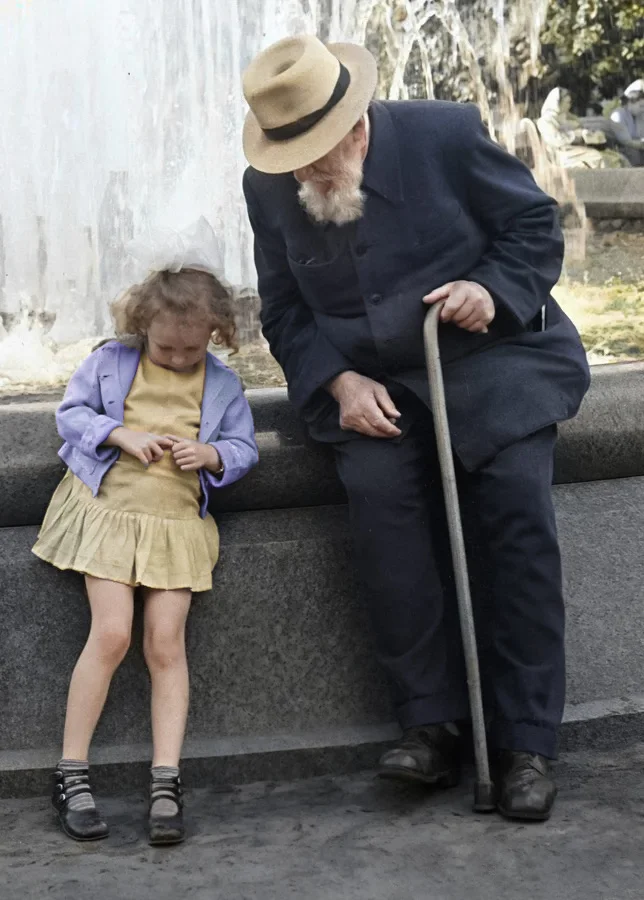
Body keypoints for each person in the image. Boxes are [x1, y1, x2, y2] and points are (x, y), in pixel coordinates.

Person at [241, 35, 591, 821]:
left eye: (315, 156)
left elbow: (535, 230)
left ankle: (525, 742)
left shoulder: (444, 134)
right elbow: (284, 311)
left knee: (514, 517)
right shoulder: (267, 186)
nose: (302, 175)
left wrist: (490, 288)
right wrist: (337, 379)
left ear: (357, 127)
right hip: (376, 386)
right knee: (381, 513)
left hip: (493, 362)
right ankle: (430, 725)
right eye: (289, 159)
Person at [33, 220, 258, 845]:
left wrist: (212, 456)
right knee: (110, 634)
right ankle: (71, 773)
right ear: (142, 328)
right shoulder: (112, 361)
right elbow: (70, 413)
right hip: (107, 514)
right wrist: (118, 433)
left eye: (193, 349)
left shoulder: (222, 382)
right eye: (167, 351)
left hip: (173, 524)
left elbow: (242, 446)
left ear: (215, 332)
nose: (181, 359)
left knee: (165, 644)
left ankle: (166, 778)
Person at [537, 87, 628, 168]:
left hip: (578, 148)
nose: (569, 106)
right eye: (567, 103)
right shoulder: (546, 121)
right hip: (562, 153)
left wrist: (591, 134)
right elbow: (556, 140)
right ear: (558, 103)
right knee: (597, 158)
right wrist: (578, 135)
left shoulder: (569, 116)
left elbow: (582, 127)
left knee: (615, 157)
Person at [610, 80, 644, 166]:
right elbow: (626, 141)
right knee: (633, 152)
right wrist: (641, 143)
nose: (642, 109)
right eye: (641, 106)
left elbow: (640, 135)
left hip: (638, 146)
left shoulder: (640, 115)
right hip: (620, 148)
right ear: (630, 102)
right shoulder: (618, 115)